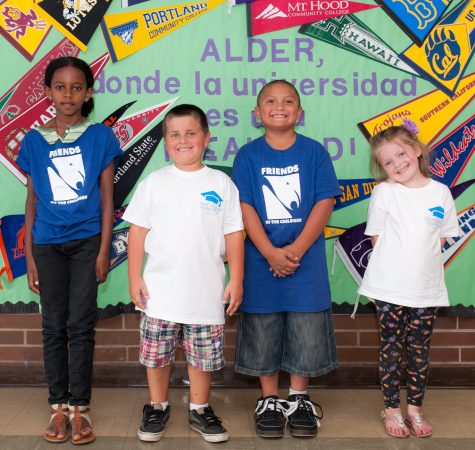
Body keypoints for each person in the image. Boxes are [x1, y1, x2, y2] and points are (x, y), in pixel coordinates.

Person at [17, 56, 122, 444]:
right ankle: (57, 409)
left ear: (88, 92)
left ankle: (81, 410)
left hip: (86, 242)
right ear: (47, 92)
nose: (68, 94)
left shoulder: (101, 137)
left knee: (80, 326)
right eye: (60, 87)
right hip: (46, 243)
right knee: (52, 326)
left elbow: (108, 198)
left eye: (77, 87)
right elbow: (31, 201)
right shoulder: (33, 140)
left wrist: (103, 249)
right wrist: (29, 254)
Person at [124, 104, 244, 443]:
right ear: (165, 142)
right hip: (160, 294)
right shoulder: (153, 184)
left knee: (203, 360)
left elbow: (234, 234)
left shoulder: (221, 183)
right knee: (157, 355)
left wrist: (236, 278)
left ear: (206, 139)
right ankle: (157, 405)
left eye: (191, 133)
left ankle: (199, 408)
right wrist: (135, 276)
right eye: (174, 135)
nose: (183, 140)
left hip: (206, 293)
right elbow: (137, 233)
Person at [232, 80, 341, 438]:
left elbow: (325, 202)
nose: (280, 106)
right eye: (271, 101)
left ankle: (298, 398)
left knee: (306, 331)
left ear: (300, 112)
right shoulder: (247, 156)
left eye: (289, 100)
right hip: (261, 262)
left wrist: (293, 251)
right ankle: (269, 400)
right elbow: (244, 207)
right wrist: (269, 252)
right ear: (257, 113)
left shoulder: (315, 153)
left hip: (305, 264)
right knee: (264, 331)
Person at [357, 122, 459, 439]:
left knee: (419, 350)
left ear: (416, 150)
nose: (397, 164)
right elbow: (376, 237)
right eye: (388, 162)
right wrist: (398, 271)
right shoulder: (385, 192)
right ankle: (392, 409)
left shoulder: (440, 192)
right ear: (382, 169)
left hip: (426, 289)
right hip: (389, 287)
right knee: (391, 348)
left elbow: (441, 239)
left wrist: (419, 270)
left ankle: (414, 409)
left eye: (401, 154)